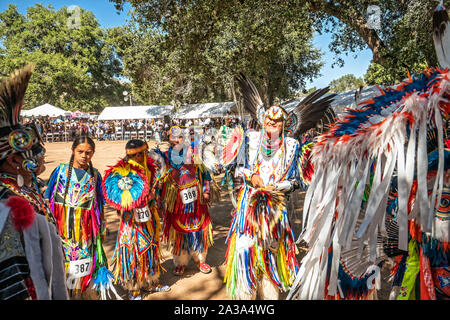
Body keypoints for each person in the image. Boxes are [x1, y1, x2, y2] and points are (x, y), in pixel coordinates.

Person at [223, 73, 335, 300]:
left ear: (285, 124)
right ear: (262, 120)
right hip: (249, 204)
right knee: (246, 245)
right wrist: (252, 177)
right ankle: (246, 292)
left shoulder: (293, 145)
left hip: (275, 206)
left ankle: (269, 291)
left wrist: (280, 186)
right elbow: (236, 168)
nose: (271, 123)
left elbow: (296, 180)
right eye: (268, 120)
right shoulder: (250, 139)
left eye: (277, 121)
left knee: (271, 249)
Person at [0, 63, 68, 300]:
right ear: (14, 161)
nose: (41, 158)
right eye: (35, 152)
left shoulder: (25, 189)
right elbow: (12, 269)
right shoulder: (7, 202)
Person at [45, 135, 119, 299]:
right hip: (61, 234)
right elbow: (46, 198)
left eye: (88, 152)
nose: (84, 156)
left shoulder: (95, 176)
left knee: (81, 271)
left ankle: (79, 295)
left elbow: (100, 205)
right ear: (73, 151)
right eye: (80, 151)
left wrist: (101, 227)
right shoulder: (60, 171)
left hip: (85, 235)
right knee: (62, 268)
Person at [103, 139, 170, 300]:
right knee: (132, 250)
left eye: (144, 152)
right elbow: (120, 198)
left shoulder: (149, 167)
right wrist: (140, 199)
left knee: (150, 246)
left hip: (148, 216)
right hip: (131, 221)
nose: (142, 156)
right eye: (138, 154)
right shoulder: (122, 172)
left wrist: (155, 199)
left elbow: (154, 188)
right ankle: (133, 287)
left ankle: (150, 282)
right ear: (130, 155)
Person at [151, 126, 214, 276]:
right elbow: (159, 180)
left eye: (178, 137)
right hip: (177, 202)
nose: (175, 141)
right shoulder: (164, 158)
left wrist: (206, 190)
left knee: (198, 229)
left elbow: (205, 174)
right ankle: (180, 262)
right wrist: (159, 200)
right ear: (168, 140)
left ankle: (200, 259)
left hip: (196, 201)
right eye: (171, 138)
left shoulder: (194, 154)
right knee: (179, 232)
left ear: (183, 138)